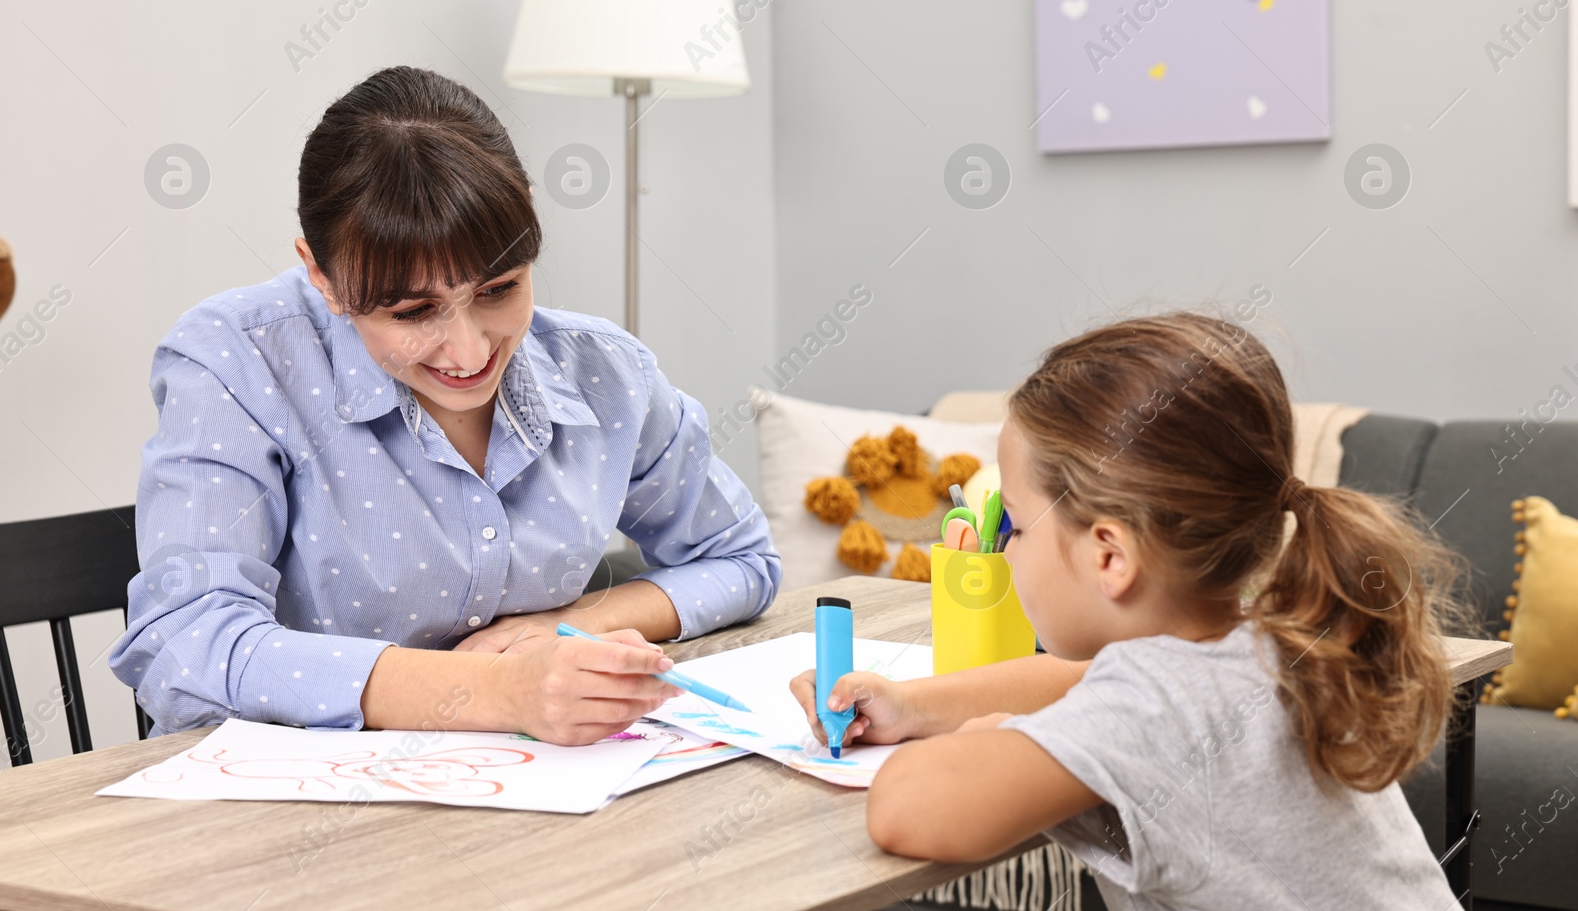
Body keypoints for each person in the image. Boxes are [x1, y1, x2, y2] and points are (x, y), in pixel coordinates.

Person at [111, 66, 780, 745]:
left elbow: (743, 559)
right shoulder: (237, 360)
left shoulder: (605, 372)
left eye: (499, 289)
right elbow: (188, 641)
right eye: (413, 311)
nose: (467, 351)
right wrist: (495, 691)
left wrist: (567, 629)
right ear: (323, 277)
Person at [791, 313, 1464, 908]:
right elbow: (1080, 681)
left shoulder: (1150, 708)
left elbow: (906, 809)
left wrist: (998, 733)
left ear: (1110, 555)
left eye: (1015, 529)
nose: (1007, 552)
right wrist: (914, 704)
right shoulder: (1264, 641)